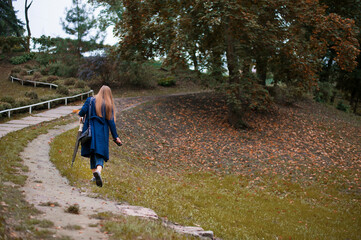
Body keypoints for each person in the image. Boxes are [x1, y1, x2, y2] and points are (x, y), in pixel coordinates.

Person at [78, 85, 122, 187]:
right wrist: (116, 137)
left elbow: (81, 113)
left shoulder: (90, 100)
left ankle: (95, 175)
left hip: (89, 131)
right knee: (100, 154)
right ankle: (98, 171)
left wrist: (85, 115)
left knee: (92, 153)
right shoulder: (108, 105)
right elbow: (111, 123)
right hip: (101, 132)